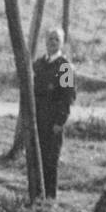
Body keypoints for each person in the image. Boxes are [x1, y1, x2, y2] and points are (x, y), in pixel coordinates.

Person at [32, 26, 77, 198]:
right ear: (45, 40)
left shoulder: (65, 67)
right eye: (50, 38)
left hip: (53, 123)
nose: (52, 42)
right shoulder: (39, 64)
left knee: (50, 162)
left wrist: (60, 121)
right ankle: (36, 196)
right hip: (38, 120)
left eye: (56, 39)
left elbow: (68, 97)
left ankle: (49, 199)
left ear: (62, 43)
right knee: (37, 159)